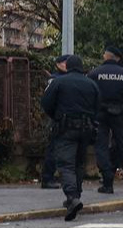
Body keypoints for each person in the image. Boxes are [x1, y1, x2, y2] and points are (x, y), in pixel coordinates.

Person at [40, 55, 99, 221]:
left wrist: (57, 117)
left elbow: (46, 103)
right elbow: (97, 107)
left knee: (66, 164)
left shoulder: (59, 82)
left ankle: (72, 197)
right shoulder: (92, 84)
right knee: (79, 163)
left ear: (68, 67)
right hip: (86, 129)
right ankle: (76, 196)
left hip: (65, 128)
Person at [87, 45, 123, 194]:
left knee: (101, 146)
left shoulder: (94, 73)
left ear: (106, 56)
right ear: (118, 58)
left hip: (100, 114)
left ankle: (107, 182)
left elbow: (89, 95)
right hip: (119, 114)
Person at [40, 55, 70, 189]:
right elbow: (48, 101)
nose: (68, 65)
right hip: (57, 119)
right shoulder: (55, 79)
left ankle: (64, 177)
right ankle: (47, 178)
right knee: (53, 148)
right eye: (65, 63)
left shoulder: (66, 78)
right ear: (59, 64)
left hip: (67, 118)